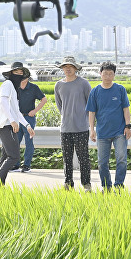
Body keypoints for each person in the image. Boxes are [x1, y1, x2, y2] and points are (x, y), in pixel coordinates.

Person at [87, 61, 131, 190]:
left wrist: (128, 126)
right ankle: (106, 187)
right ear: (100, 74)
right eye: (105, 73)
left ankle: (119, 186)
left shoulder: (120, 89)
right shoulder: (95, 91)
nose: (107, 76)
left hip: (119, 132)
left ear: (114, 75)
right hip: (102, 133)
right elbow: (92, 112)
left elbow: (126, 109)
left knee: (121, 159)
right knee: (102, 163)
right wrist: (92, 130)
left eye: (110, 74)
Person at [0, 62, 35, 185]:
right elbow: (3, 101)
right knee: (14, 156)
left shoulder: (14, 89)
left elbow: (17, 112)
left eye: (21, 73)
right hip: (6, 125)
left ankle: (0, 185)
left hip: (11, 124)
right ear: (11, 74)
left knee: (5, 156)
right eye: (16, 72)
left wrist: (27, 125)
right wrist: (11, 120)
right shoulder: (8, 84)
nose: (19, 75)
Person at [54, 56, 92, 191]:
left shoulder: (83, 83)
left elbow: (91, 104)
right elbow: (60, 106)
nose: (68, 69)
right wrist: (66, 116)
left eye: (70, 66)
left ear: (76, 68)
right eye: (65, 66)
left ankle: (86, 184)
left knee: (83, 158)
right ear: (62, 68)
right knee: (67, 158)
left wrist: (89, 123)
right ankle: (68, 183)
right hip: (65, 128)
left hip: (81, 127)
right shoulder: (58, 85)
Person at [11, 75, 47, 173]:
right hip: (17, 118)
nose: (22, 78)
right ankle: (15, 165)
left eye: (24, 76)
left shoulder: (33, 88)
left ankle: (27, 165)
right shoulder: (15, 87)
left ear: (28, 77)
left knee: (28, 142)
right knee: (15, 142)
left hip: (29, 118)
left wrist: (35, 111)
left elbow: (44, 99)